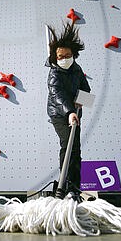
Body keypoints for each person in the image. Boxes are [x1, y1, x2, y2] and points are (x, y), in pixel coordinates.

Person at [46, 23, 90, 199]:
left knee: (76, 149)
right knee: (67, 145)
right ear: (55, 57)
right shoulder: (54, 74)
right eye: (61, 56)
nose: (65, 59)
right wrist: (69, 112)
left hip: (75, 113)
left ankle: (75, 187)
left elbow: (86, 88)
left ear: (73, 55)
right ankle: (63, 187)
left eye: (68, 55)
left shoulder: (76, 68)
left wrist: (81, 103)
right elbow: (57, 95)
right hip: (59, 113)